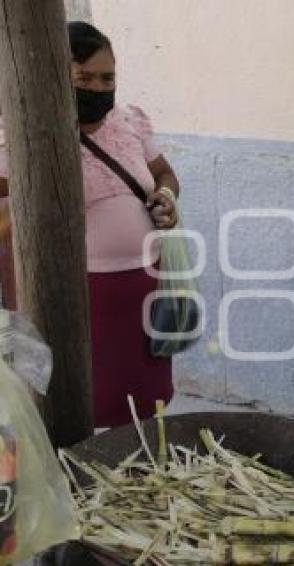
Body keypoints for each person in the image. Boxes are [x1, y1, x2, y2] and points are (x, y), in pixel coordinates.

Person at [0, 22, 181, 427]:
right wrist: (30, 207)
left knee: (144, 398)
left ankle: (140, 465)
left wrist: (165, 198)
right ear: (55, 77)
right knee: (84, 402)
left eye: (108, 77)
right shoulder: (21, 136)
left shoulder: (130, 121)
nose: (99, 89)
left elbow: (165, 174)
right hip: (76, 297)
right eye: (84, 78)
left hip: (144, 286)